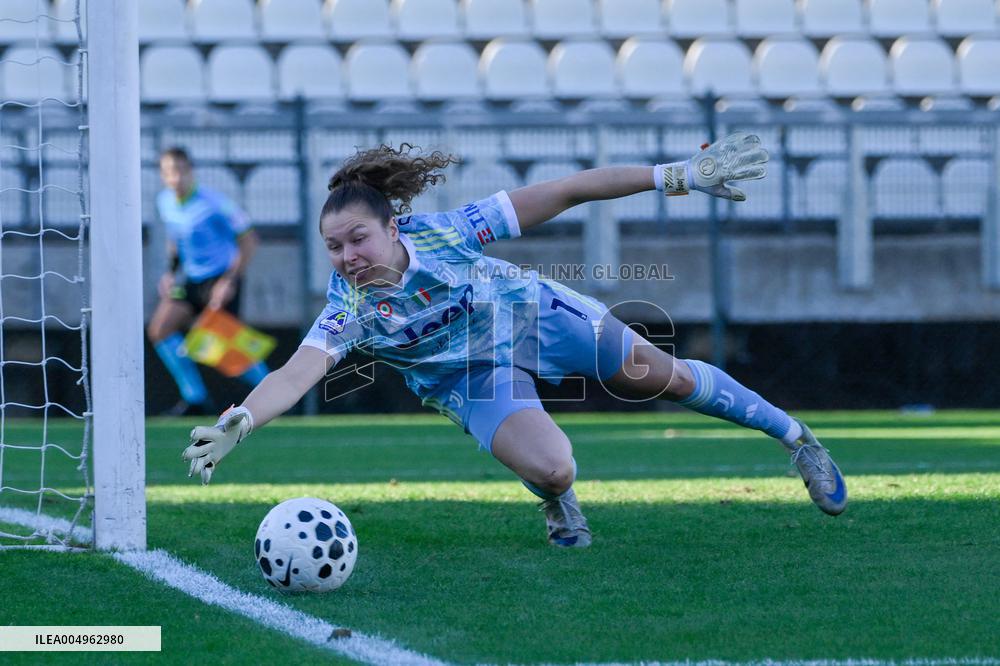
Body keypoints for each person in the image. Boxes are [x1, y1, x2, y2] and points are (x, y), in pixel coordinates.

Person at [182, 135, 847, 548]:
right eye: (334, 247)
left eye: (359, 238)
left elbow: (569, 189)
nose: (348, 256)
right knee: (555, 468)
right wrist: (243, 420)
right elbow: (297, 372)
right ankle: (559, 503)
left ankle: (797, 440)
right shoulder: (349, 306)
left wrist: (672, 176)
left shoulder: (449, 232)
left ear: (393, 228)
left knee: (665, 378)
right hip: (467, 377)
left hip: (534, 316)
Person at [148, 147, 269, 416]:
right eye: (169, 172)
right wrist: (171, 272)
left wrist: (229, 281)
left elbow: (249, 240)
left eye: (180, 170)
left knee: (222, 347)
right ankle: (195, 398)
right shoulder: (165, 202)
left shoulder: (215, 203)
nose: (175, 177)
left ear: (191, 171)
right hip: (191, 278)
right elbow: (175, 239)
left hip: (220, 279)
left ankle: (272, 391)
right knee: (160, 329)